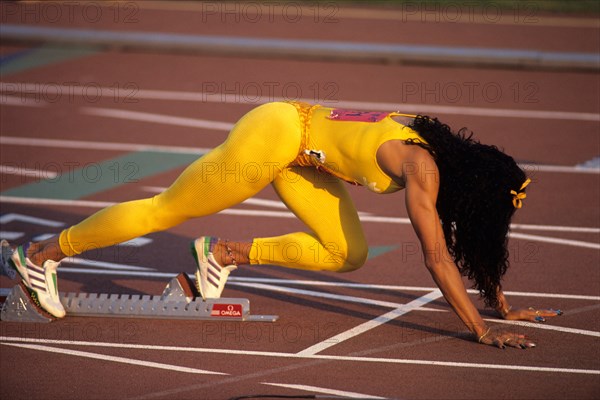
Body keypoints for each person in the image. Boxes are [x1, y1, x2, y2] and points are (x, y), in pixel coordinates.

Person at [4, 101, 561, 348]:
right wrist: (483, 329)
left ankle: (223, 254)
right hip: (276, 132)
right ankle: (42, 257)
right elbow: (438, 257)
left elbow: (468, 241)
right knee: (167, 208)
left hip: (308, 160)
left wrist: (502, 303)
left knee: (347, 252)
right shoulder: (421, 167)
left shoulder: (440, 151)